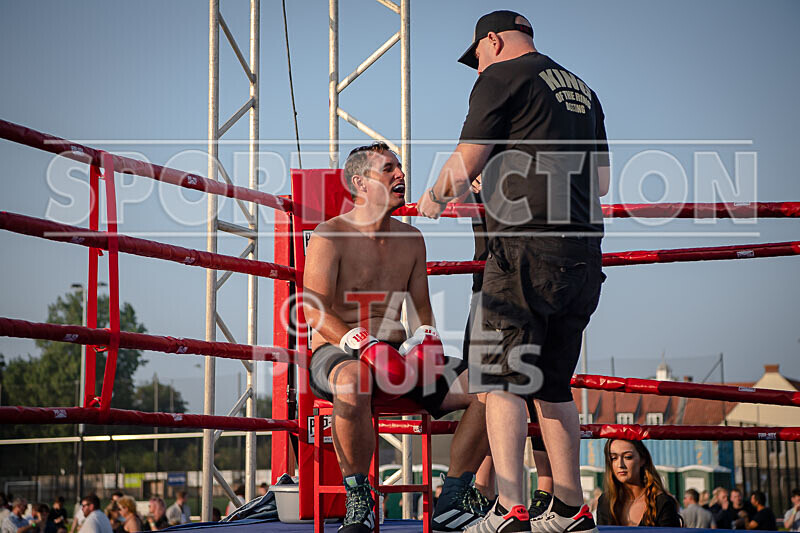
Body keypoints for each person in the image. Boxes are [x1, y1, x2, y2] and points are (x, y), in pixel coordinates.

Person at [417, 9, 609, 533]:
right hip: (582, 252)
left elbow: (467, 158)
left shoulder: (501, 76)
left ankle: (508, 509)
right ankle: (569, 507)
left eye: (476, 55)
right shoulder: (581, 87)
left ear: (494, 41)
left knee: (501, 382)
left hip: (524, 249)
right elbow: (603, 180)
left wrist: (434, 197)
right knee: (554, 385)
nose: (475, 68)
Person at [303, 142, 492, 533]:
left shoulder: (411, 240)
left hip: (397, 356)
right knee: (354, 381)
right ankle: (359, 495)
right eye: (388, 169)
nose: (400, 176)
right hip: (337, 352)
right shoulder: (330, 234)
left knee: (492, 388)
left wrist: (426, 341)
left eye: (400, 168)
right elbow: (314, 310)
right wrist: (362, 342)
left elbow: (421, 307)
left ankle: (454, 494)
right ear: (360, 182)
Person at [596, 440, 681, 527]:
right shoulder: (605, 502)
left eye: (628, 457)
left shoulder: (662, 502)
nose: (620, 464)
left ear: (642, 459)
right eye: (614, 458)